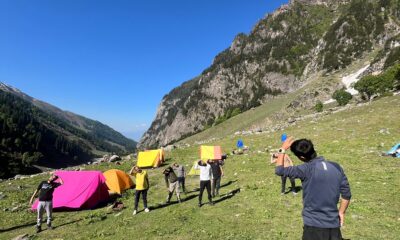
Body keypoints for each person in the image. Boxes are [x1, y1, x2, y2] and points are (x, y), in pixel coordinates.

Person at [275, 137, 351, 240]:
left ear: (301, 157)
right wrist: (341, 212)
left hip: (313, 226)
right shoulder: (336, 167)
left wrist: (282, 149)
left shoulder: (305, 169)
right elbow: (346, 194)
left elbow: (279, 170)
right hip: (334, 226)